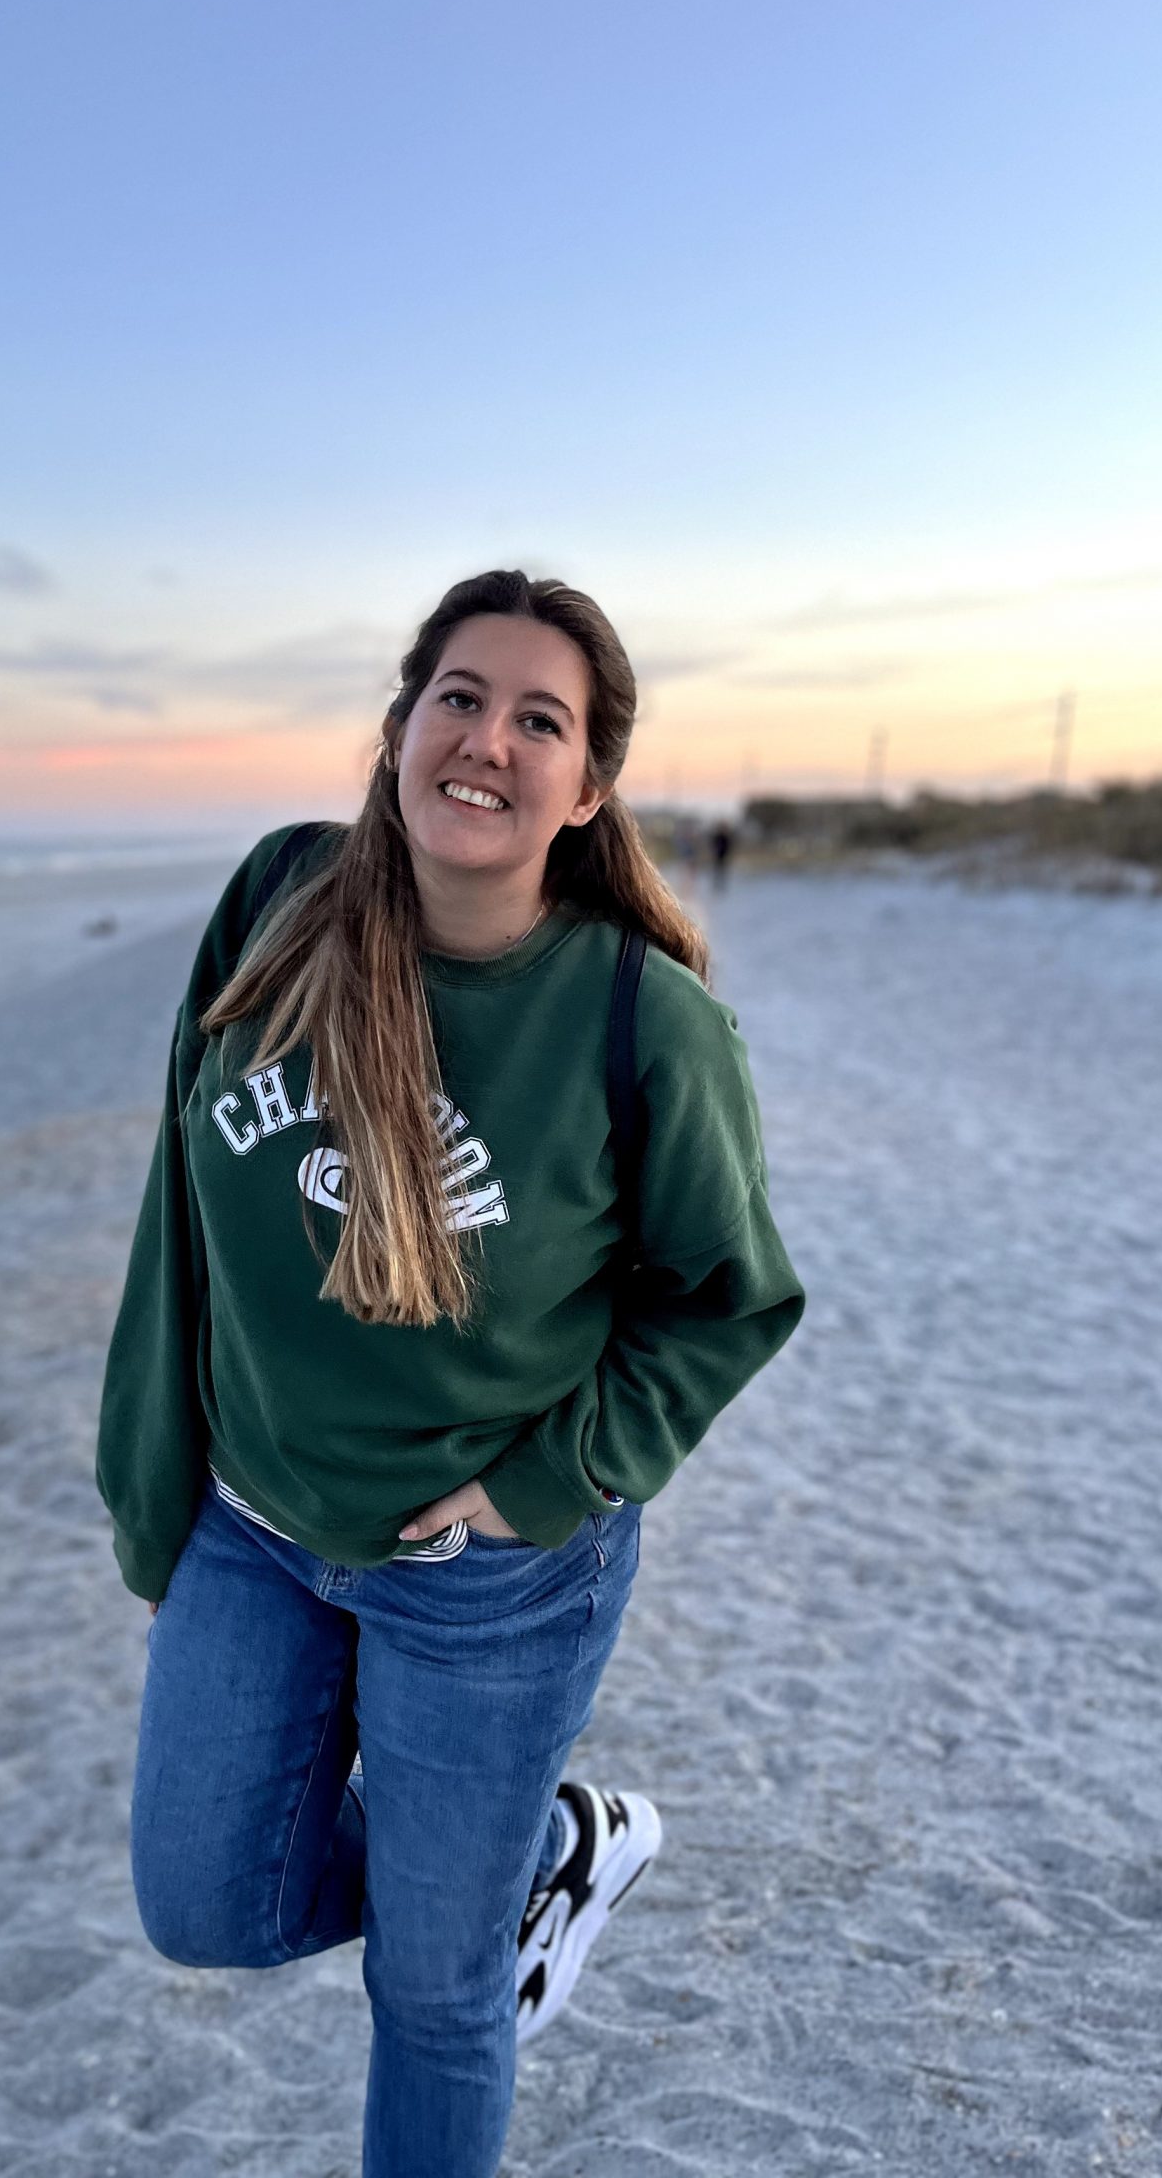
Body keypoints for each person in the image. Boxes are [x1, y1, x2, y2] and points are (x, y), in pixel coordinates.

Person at [95, 568, 805, 2178]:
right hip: (252, 1531)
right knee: (204, 1905)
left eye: (540, 721)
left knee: (435, 1990)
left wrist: (542, 1483)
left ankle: (483, 1895)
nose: (487, 741)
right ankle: (536, 1848)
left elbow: (728, 1300)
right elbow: (177, 1214)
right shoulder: (279, 896)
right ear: (402, 724)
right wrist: (152, 1496)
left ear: (589, 786)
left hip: (489, 1576)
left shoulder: (643, 1023)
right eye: (460, 698)